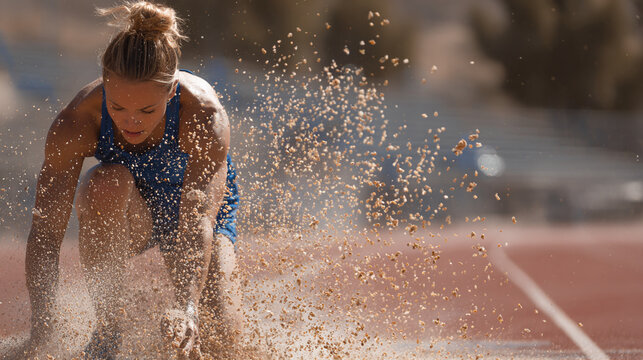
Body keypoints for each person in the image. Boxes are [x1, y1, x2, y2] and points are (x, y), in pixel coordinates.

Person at [12, 1, 243, 359]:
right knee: (105, 182)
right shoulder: (76, 122)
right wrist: (42, 329)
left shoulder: (204, 115)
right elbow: (45, 233)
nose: (130, 121)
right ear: (105, 86)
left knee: (224, 345)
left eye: (147, 110)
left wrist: (187, 308)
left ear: (170, 93)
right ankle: (108, 331)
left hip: (196, 213)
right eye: (118, 107)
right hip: (132, 212)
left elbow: (197, 218)